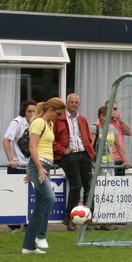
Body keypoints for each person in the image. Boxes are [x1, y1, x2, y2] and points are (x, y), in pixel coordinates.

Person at [23, 97, 67, 254]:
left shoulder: (49, 124)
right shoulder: (39, 122)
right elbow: (32, 147)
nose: (59, 117)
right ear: (50, 110)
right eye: (58, 113)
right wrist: (38, 168)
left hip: (44, 166)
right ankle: (40, 236)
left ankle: (28, 247)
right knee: (49, 198)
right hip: (39, 165)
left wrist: (39, 169)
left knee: (39, 206)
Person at [53, 92, 95, 228]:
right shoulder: (59, 119)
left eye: (76, 102)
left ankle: (89, 217)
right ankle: (69, 217)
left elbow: (87, 138)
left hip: (84, 153)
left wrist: (89, 151)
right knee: (76, 184)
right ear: (67, 103)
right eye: (71, 102)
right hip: (68, 155)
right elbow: (51, 139)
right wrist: (62, 150)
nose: (74, 104)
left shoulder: (82, 119)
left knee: (89, 185)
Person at [2, 98, 37, 233]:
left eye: (34, 111)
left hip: (31, 166)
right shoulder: (16, 122)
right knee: (15, 196)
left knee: (31, 196)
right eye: (29, 111)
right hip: (17, 167)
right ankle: (14, 226)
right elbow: (6, 140)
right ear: (24, 112)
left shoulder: (37, 123)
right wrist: (11, 159)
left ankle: (28, 224)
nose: (31, 114)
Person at [93, 103, 129, 176]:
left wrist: (125, 161)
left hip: (110, 163)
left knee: (111, 181)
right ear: (101, 116)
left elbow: (119, 146)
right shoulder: (95, 128)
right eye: (107, 116)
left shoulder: (113, 129)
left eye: (115, 109)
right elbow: (90, 147)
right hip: (97, 163)